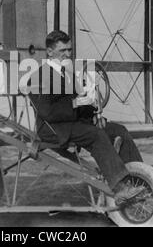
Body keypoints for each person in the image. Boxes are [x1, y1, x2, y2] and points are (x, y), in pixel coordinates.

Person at [29, 30, 144, 205]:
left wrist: (94, 116)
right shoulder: (39, 76)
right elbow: (47, 112)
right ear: (50, 52)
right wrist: (75, 104)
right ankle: (120, 189)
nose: (67, 54)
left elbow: (80, 104)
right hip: (53, 129)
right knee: (95, 135)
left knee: (117, 129)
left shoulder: (66, 73)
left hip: (72, 124)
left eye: (69, 50)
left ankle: (139, 179)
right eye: (62, 51)